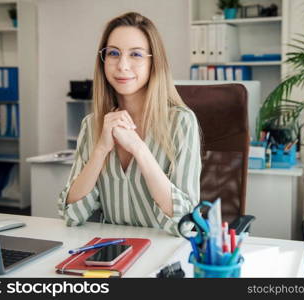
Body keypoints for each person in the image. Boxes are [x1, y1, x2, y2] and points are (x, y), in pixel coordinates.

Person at [58, 12, 201, 236]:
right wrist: (101, 150)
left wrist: (140, 149)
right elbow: (71, 214)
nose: (122, 65)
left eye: (136, 54)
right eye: (114, 53)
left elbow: (185, 223)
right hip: (112, 254)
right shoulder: (92, 125)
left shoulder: (181, 123)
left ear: (154, 62)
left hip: (165, 257)